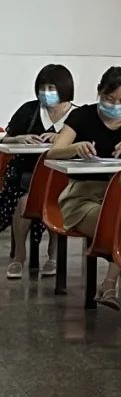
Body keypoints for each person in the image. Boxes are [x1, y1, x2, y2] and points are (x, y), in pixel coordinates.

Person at [48, 66, 121, 306]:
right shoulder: (82, 117)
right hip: (82, 197)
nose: (115, 105)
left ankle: (111, 286)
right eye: (109, 99)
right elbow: (53, 153)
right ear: (99, 92)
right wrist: (75, 148)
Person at [1, 64, 74, 279]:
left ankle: (53, 255)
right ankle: (19, 256)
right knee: (24, 202)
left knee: (58, 202)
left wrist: (62, 138)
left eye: (51, 88)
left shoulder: (78, 116)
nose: (45, 93)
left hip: (64, 179)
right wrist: (19, 138)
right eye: (42, 88)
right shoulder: (29, 111)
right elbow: (6, 138)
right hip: (27, 176)